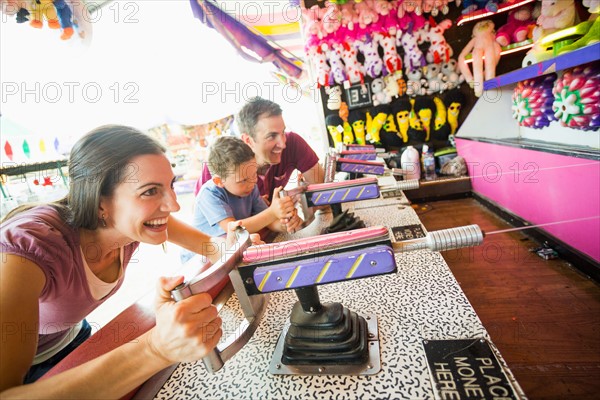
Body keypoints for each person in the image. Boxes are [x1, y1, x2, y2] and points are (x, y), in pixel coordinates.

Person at [0, 125, 253, 399]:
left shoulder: (131, 222)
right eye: (149, 192)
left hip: (71, 337)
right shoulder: (25, 247)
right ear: (99, 202)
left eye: (169, 185)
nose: (173, 205)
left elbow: (213, 247)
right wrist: (155, 348)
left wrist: (246, 249)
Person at [195, 97, 325, 203]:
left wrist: (296, 195)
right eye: (271, 136)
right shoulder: (220, 161)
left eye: (283, 132)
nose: (283, 144)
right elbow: (205, 217)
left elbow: (321, 191)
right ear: (248, 140)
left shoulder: (293, 142)